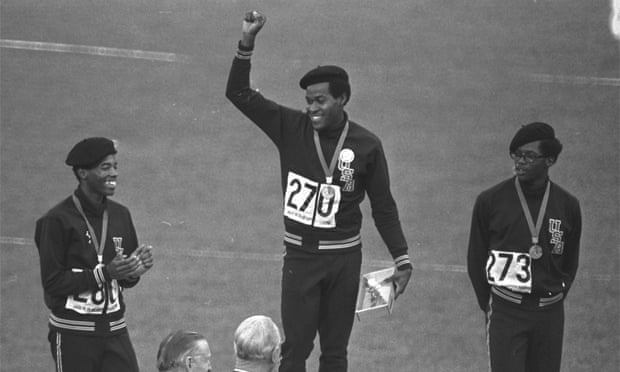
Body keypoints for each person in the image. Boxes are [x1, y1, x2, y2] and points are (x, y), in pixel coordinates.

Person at [225, 11, 413, 372]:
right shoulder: (290, 127)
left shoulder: (367, 145)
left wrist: (401, 257)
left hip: (344, 260)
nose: (311, 108)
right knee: (295, 349)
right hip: (301, 259)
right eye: (308, 100)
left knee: (335, 352)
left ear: (342, 99)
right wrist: (246, 41)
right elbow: (238, 93)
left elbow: (384, 206)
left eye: (320, 101)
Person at [467, 122, 582, 372]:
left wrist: (555, 293)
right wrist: (488, 304)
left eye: (529, 156)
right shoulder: (490, 202)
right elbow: (476, 260)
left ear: (549, 160)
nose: (519, 161)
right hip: (506, 311)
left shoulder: (568, 206)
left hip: (549, 314)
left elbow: (570, 262)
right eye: (516, 155)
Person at [34, 137, 154, 372]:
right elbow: (53, 282)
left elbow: (123, 279)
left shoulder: (121, 215)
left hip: (115, 332)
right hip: (73, 334)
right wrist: (104, 274)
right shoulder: (56, 221)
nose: (114, 173)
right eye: (105, 167)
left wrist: (133, 272)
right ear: (83, 173)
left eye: (115, 166)